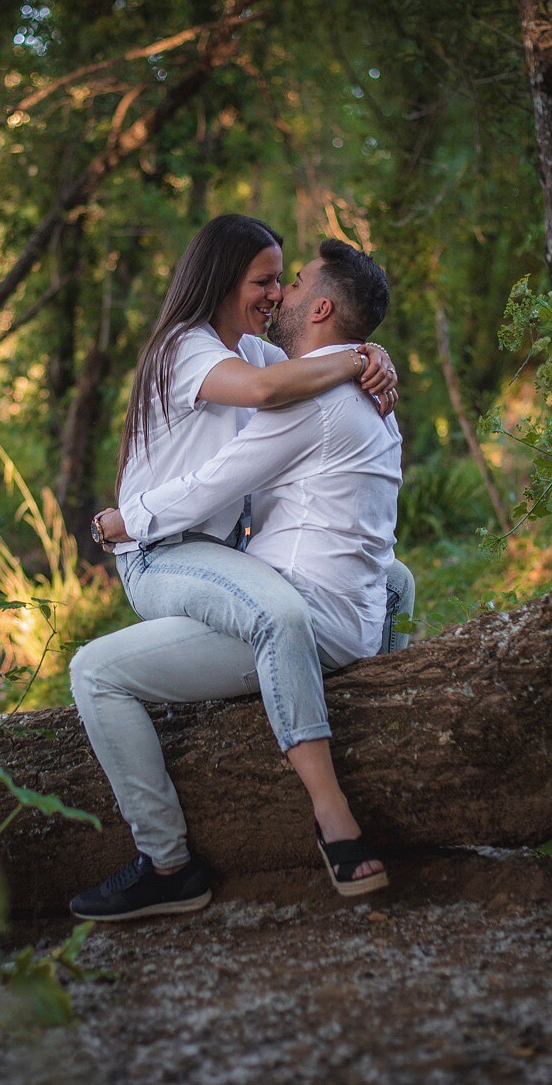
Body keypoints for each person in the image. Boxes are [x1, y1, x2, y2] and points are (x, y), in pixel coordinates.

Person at [68, 234, 409, 921]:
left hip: (232, 564)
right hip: (168, 548)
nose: (277, 294)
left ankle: (176, 861)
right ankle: (173, 858)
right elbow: (260, 393)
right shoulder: (192, 347)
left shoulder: (289, 372)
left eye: (288, 281)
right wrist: (360, 352)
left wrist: (368, 352)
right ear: (224, 279)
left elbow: (236, 448)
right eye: (264, 280)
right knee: (345, 590)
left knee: (99, 668)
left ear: (317, 307)